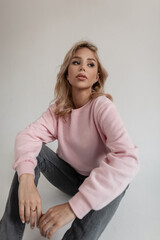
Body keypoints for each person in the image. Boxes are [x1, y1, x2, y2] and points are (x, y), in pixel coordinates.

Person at [0, 40, 139, 240]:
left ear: (96, 77)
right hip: (71, 178)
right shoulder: (59, 109)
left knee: (120, 178)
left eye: (90, 64)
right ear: (67, 73)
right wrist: (26, 180)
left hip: (98, 183)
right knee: (32, 149)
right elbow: (27, 136)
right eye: (76, 62)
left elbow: (128, 159)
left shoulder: (102, 107)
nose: (83, 67)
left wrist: (73, 207)